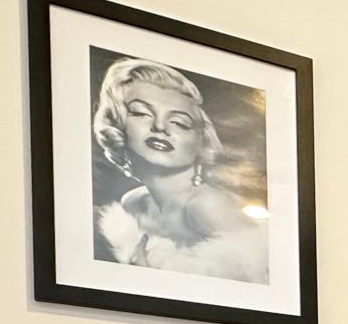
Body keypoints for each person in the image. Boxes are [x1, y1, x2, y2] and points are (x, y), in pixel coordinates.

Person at [92, 57, 268, 283]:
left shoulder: (207, 206)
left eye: (180, 123)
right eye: (141, 113)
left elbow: (261, 281)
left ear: (201, 140)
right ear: (117, 126)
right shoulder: (133, 203)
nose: (160, 127)